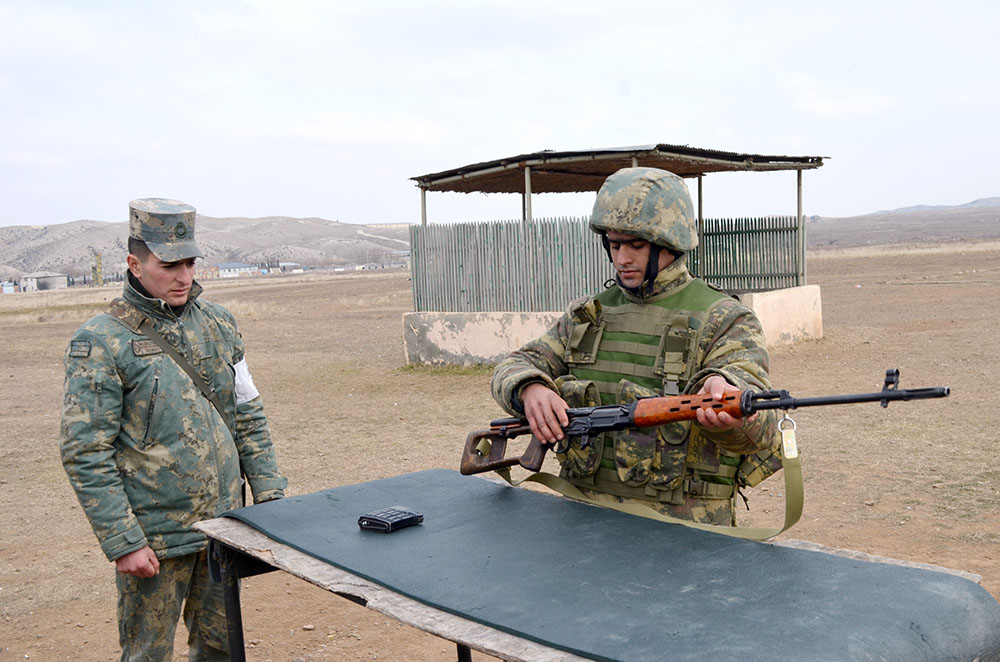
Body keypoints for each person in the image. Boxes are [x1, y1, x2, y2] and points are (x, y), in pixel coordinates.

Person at [60, 198, 287, 661]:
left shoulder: (220, 324)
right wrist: (124, 542)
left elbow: (247, 413)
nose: (184, 276)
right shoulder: (100, 341)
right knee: (148, 654)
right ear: (134, 264)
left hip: (223, 528)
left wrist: (270, 499)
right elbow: (85, 451)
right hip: (154, 541)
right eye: (169, 265)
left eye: (189, 262)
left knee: (222, 648)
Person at [491, 168, 781, 526]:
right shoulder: (588, 315)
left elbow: (763, 425)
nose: (622, 258)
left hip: (684, 529)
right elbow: (517, 364)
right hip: (583, 517)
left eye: (636, 245)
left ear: (670, 243)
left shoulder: (723, 318)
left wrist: (727, 396)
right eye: (614, 244)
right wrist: (530, 387)